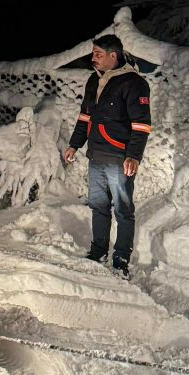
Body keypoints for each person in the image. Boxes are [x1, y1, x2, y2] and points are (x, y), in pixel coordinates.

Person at [62, 34, 153, 276]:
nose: (93, 58)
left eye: (98, 54)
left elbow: (142, 124)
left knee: (123, 210)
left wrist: (133, 156)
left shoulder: (134, 84)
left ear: (114, 55)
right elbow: (85, 117)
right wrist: (75, 144)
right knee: (98, 206)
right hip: (96, 157)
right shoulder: (93, 81)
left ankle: (121, 259)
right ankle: (98, 251)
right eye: (93, 53)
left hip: (120, 159)